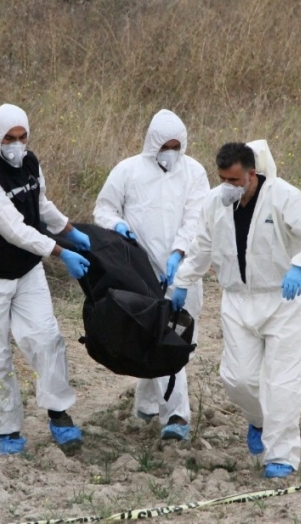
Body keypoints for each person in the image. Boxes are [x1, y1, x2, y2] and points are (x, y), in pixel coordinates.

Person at [171, 141, 301, 478]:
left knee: (283, 381)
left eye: (234, 180)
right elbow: (202, 246)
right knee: (238, 378)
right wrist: (182, 282)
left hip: (280, 299)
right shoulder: (215, 203)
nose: (227, 186)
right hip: (236, 300)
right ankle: (260, 421)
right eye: (222, 179)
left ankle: (282, 456)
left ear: (252, 174)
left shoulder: (282, 196)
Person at [0, 103, 92, 455]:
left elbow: (40, 204)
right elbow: (14, 229)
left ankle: (59, 414)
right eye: (8, 138)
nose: (16, 144)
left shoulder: (30, 163)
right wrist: (62, 252)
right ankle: (7, 431)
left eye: (22, 137)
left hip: (26, 270)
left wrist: (70, 230)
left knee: (46, 339)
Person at [93, 109, 209, 441]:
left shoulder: (194, 173)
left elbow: (196, 219)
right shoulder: (127, 171)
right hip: (140, 271)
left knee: (174, 338)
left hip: (181, 272)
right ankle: (176, 417)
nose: (170, 152)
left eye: (177, 146)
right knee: (161, 338)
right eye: (165, 145)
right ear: (152, 143)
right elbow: (104, 208)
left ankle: (146, 404)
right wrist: (118, 226)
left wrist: (178, 254)